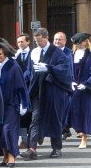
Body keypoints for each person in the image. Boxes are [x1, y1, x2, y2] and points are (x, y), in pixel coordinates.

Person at [24, 27, 73, 159]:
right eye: (36, 42)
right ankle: (32, 148)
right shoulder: (34, 52)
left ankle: (56, 148)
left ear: (46, 38)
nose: (38, 44)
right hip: (38, 90)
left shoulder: (57, 53)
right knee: (35, 119)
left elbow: (65, 69)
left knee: (54, 119)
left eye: (40, 41)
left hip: (53, 91)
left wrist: (49, 68)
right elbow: (29, 70)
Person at [0, 40, 28, 168]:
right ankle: (5, 156)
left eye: (0, 54)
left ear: (5, 53)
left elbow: (21, 85)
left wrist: (24, 103)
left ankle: (12, 156)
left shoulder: (13, 66)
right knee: (0, 132)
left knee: (8, 130)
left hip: (12, 103)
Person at [67, 32, 91, 149]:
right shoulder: (72, 54)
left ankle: (84, 138)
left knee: (86, 112)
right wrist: (70, 81)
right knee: (75, 111)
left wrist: (87, 84)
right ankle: (79, 131)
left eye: (83, 41)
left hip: (87, 89)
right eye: (79, 42)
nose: (82, 44)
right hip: (75, 88)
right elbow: (69, 70)